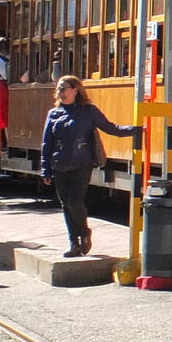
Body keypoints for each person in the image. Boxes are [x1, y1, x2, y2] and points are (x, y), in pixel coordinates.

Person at [40, 76, 140, 257]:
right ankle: (74, 243)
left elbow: (111, 128)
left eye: (64, 89)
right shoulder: (53, 113)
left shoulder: (89, 111)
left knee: (74, 202)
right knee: (65, 205)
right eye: (59, 90)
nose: (61, 93)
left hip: (81, 163)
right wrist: (45, 168)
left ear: (75, 90)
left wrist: (135, 130)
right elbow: (47, 143)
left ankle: (84, 233)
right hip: (59, 164)